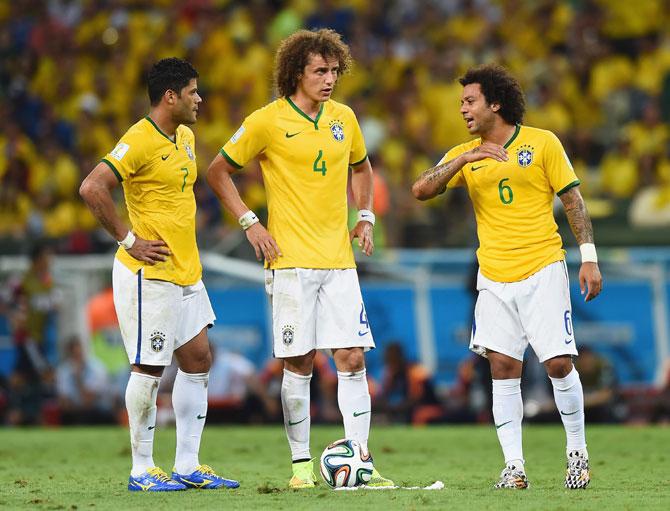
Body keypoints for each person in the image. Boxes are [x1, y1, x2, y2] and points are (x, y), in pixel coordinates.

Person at [206, 29, 394, 489]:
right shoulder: (266, 122)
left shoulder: (344, 118)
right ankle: (300, 468)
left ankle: (361, 464)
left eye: (334, 71)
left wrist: (364, 215)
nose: (330, 79)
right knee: (300, 362)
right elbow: (217, 171)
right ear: (296, 73)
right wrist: (251, 223)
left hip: (339, 261)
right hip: (289, 262)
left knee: (351, 357)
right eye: (320, 71)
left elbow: (362, 166)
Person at [412, 64, 603, 490]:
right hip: (493, 277)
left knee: (556, 362)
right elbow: (421, 190)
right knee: (502, 367)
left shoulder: (542, 143)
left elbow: (572, 200)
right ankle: (514, 467)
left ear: (495, 103)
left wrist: (588, 257)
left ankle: (577, 455)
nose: (462, 109)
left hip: (542, 268)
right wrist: (464, 158)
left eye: (469, 101)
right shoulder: (468, 153)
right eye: (461, 102)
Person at [79, 57, 238, 492]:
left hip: (186, 270)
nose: (199, 99)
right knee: (149, 367)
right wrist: (128, 240)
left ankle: (188, 464)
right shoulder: (139, 139)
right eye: (193, 92)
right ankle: (141, 468)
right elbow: (92, 187)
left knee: (199, 359)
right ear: (170, 96)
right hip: (148, 273)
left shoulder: (184, 135)